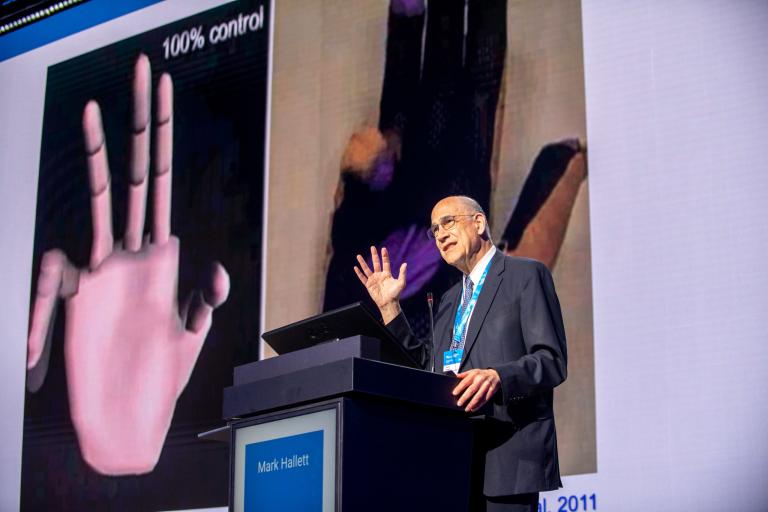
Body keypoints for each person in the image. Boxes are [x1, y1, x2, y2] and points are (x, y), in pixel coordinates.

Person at [354, 195, 567, 512]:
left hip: (507, 455)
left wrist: (499, 377)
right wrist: (389, 308)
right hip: (453, 457)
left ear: (479, 222)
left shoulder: (525, 275)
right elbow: (427, 368)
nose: (439, 234)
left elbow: (551, 361)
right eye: (433, 229)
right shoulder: (449, 300)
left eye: (448, 222)